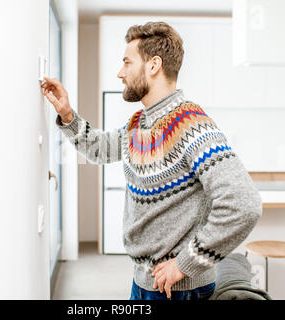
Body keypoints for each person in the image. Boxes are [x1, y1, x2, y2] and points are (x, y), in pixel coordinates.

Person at [41, 21, 262, 301]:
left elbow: (244, 204)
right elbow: (99, 149)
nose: (120, 73)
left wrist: (185, 264)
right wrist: (67, 114)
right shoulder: (140, 123)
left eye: (127, 63)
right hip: (146, 282)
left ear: (153, 65)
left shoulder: (191, 125)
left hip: (179, 290)